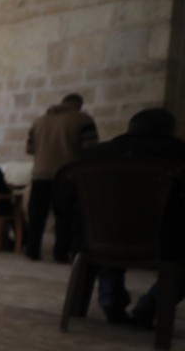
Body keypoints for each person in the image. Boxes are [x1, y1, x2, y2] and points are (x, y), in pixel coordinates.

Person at [76, 108, 185, 326]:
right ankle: (150, 305)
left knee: (112, 227)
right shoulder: (179, 153)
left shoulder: (93, 155)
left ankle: (110, 297)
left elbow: (70, 200)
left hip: (99, 237)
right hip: (165, 240)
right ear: (171, 130)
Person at [25, 93, 98, 262]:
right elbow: (90, 148)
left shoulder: (39, 121)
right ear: (78, 104)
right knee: (65, 216)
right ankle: (61, 253)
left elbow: (30, 149)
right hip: (67, 174)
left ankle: (32, 250)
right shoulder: (82, 119)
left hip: (40, 174)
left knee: (36, 214)